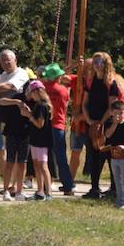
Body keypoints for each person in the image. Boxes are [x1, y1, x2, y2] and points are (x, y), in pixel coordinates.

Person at [80, 52, 124, 199]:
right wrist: (89, 120)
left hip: (106, 125)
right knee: (93, 157)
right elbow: (84, 103)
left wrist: (101, 122)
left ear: (106, 63)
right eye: (95, 61)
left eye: (99, 61)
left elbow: (111, 105)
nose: (96, 64)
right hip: (92, 124)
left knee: (108, 156)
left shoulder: (111, 83)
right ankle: (94, 189)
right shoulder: (90, 81)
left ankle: (114, 188)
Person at [40, 64, 75, 196]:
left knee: (44, 157)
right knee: (61, 157)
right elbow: (66, 104)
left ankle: (45, 185)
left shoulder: (43, 89)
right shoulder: (63, 90)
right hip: (58, 125)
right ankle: (68, 186)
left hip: (45, 125)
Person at [0, 78, 32, 201]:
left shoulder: (35, 102)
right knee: (10, 161)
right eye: (29, 90)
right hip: (11, 132)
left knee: (23, 163)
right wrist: (17, 102)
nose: (30, 93)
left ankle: (19, 191)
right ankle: (6, 190)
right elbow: (1, 101)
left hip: (26, 134)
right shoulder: (18, 97)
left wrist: (28, 113)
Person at [100, 99, 124, 209]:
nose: (118, 116)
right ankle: (119, 200)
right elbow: (108, 135)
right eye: (116, 113)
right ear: (111, 113)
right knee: (117, 179)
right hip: (114, 157)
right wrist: (115, 124)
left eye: (121, 113)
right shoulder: (109, 124)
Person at [21, 80, 54, 200]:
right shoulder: (39, 105)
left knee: (43, 165)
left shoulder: (41, 106)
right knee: (36, 165)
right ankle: (40, 191)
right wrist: (30, 113)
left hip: (41, 140)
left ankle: (48, 192)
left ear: (36, 92)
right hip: (36, 139)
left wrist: (28, 115)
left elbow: (40, 124)